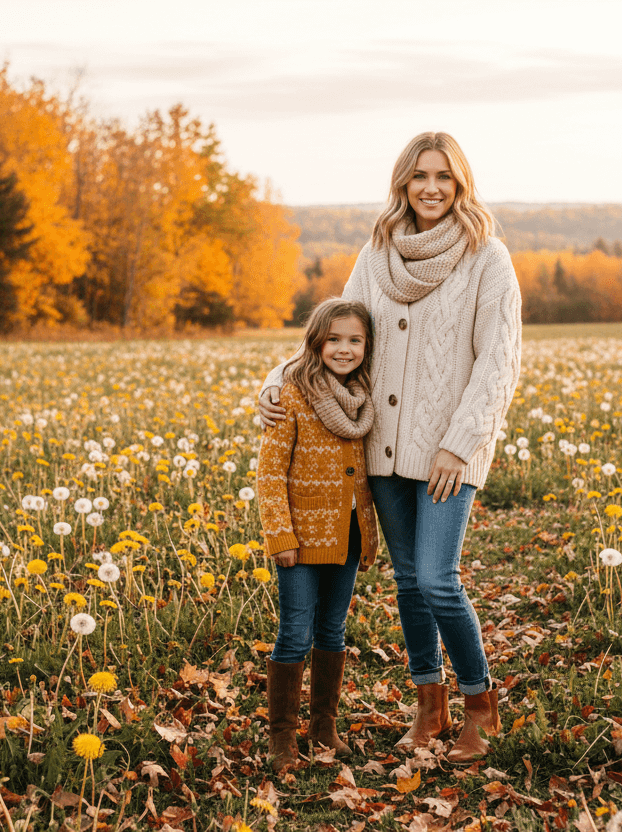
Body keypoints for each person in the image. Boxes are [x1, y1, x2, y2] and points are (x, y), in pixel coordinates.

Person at [259, 132, 522, 763]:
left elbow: (499, 362)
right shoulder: (374, 255)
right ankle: (428, 708)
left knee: (438, 580)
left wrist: (459, 446)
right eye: (419, 176)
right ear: (402, 183)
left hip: (447, 456)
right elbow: (333, 333)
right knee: (407, 583)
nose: (431, 188)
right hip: (379, 450)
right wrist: (275, 379)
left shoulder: (488, 257)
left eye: (444, 177)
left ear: (461, 186)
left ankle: (479, 706)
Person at [258, 297, 380, 771]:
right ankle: (281, 738)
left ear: (367, 346)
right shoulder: (291, 392)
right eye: (334, 339)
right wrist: (281, 538)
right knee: (294, 633)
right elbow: (270, 474)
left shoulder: (364, 397)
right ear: (316, 342)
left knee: (333, 629)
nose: (344, 349)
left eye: (354, 340)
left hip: (347, 533)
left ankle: (323, 727)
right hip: (301, 539)